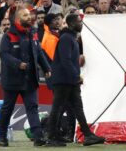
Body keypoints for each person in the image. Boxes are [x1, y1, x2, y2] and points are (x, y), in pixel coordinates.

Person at [45, 14, 105, 147]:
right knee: (58, 108)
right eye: (79, 21)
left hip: (69, 80)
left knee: (76, 107)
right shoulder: (67, 38)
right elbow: (65, 60)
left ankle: (88, 135)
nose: (81, 24)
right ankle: (51, 136)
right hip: (63, 80)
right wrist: (76, 76)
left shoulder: (70, 37)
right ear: (71, 24)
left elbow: (68, 60)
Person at [0, 6, 52, 147]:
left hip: (30, 78)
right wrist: (18, 64)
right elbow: (3, 54)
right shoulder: (8, 35)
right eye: (26, 15)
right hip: (12, 79)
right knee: (7, 108)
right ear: (17, 19)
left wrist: (46, 68)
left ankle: (38, 137)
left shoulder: (33, 33)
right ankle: (2, 137)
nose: (29, 17)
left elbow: (39, 52)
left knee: (32, 107)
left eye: (29, 15)